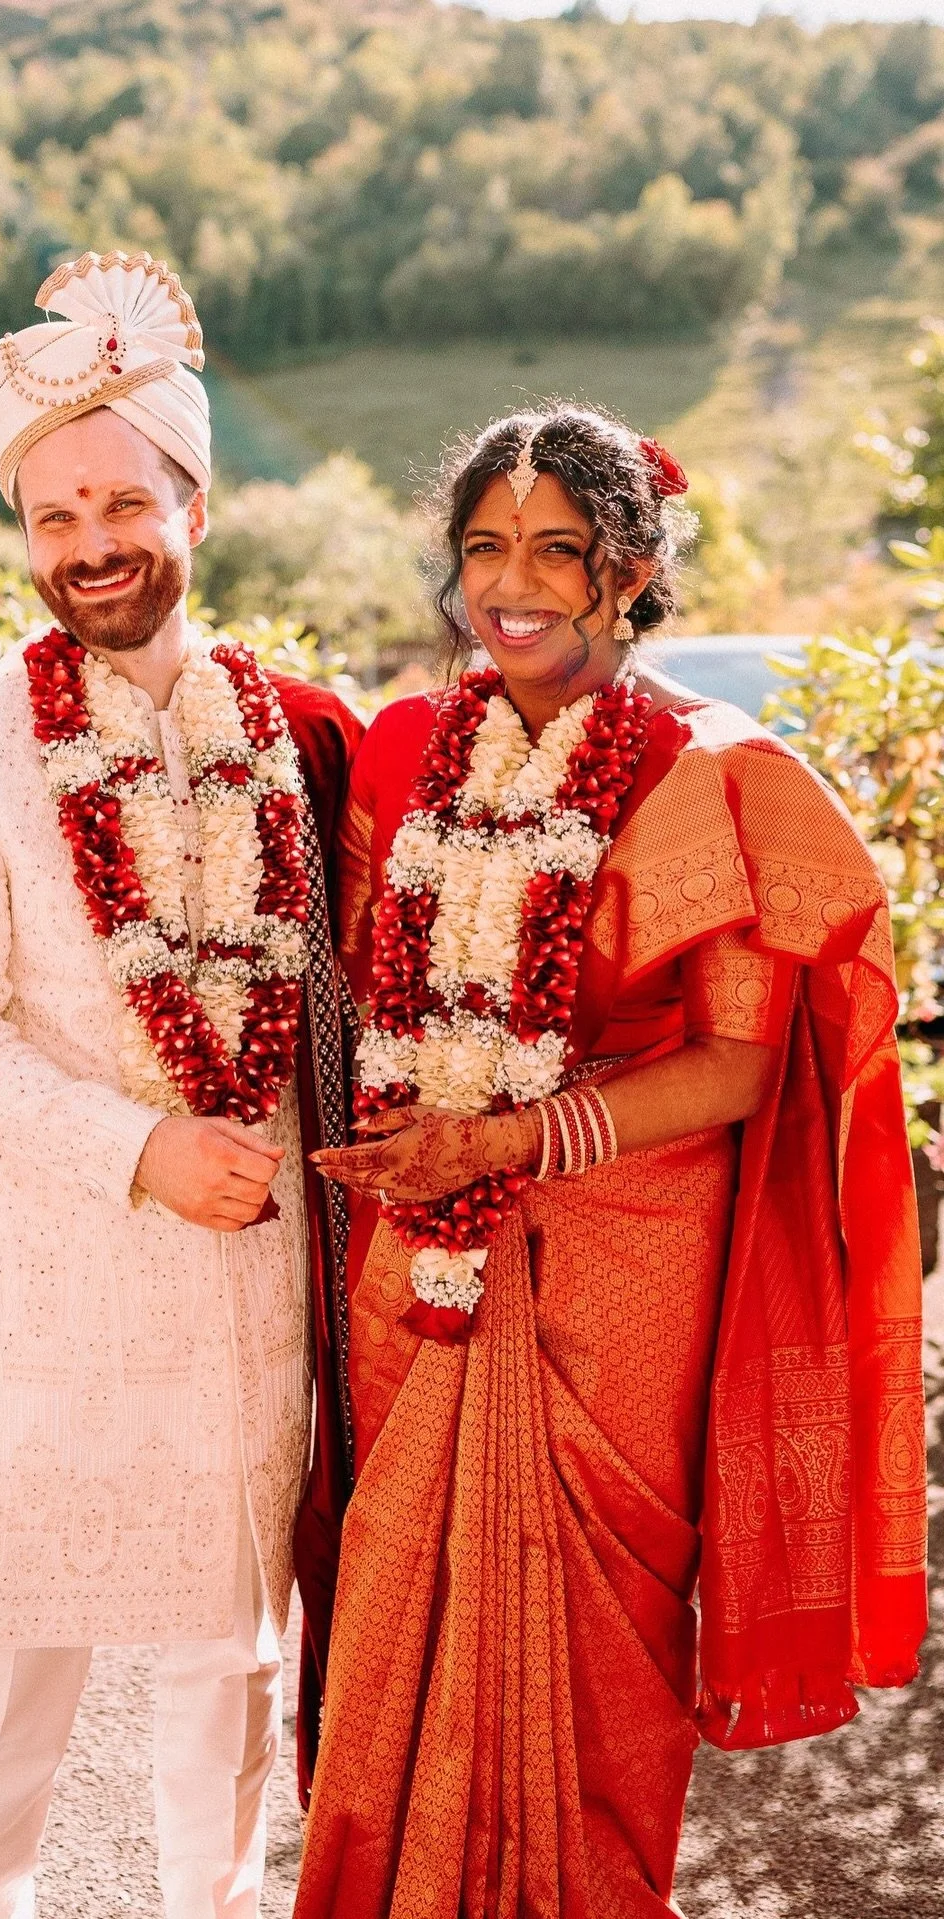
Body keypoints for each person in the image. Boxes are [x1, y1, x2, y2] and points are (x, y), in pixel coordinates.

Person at [293, 404, 928, 1918]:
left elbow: (739, 1064)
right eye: (483, 547)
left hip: (618, 1262)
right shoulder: (408, 749)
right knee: (402, 1586)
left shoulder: (715, 773)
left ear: (630, 570)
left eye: (555, 550)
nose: (510, 582)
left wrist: (513, 1135)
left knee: (591, 1642)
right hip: (429, 1260)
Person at [0, 250, 360, 1919]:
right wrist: (142, 1149)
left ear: (195, 502)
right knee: (3, 1696)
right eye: (52, 512)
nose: (89, 545)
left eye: (122, 500)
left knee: (225, 1673)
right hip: (41, 1291)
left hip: (242, 1301)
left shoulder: (287, 735)